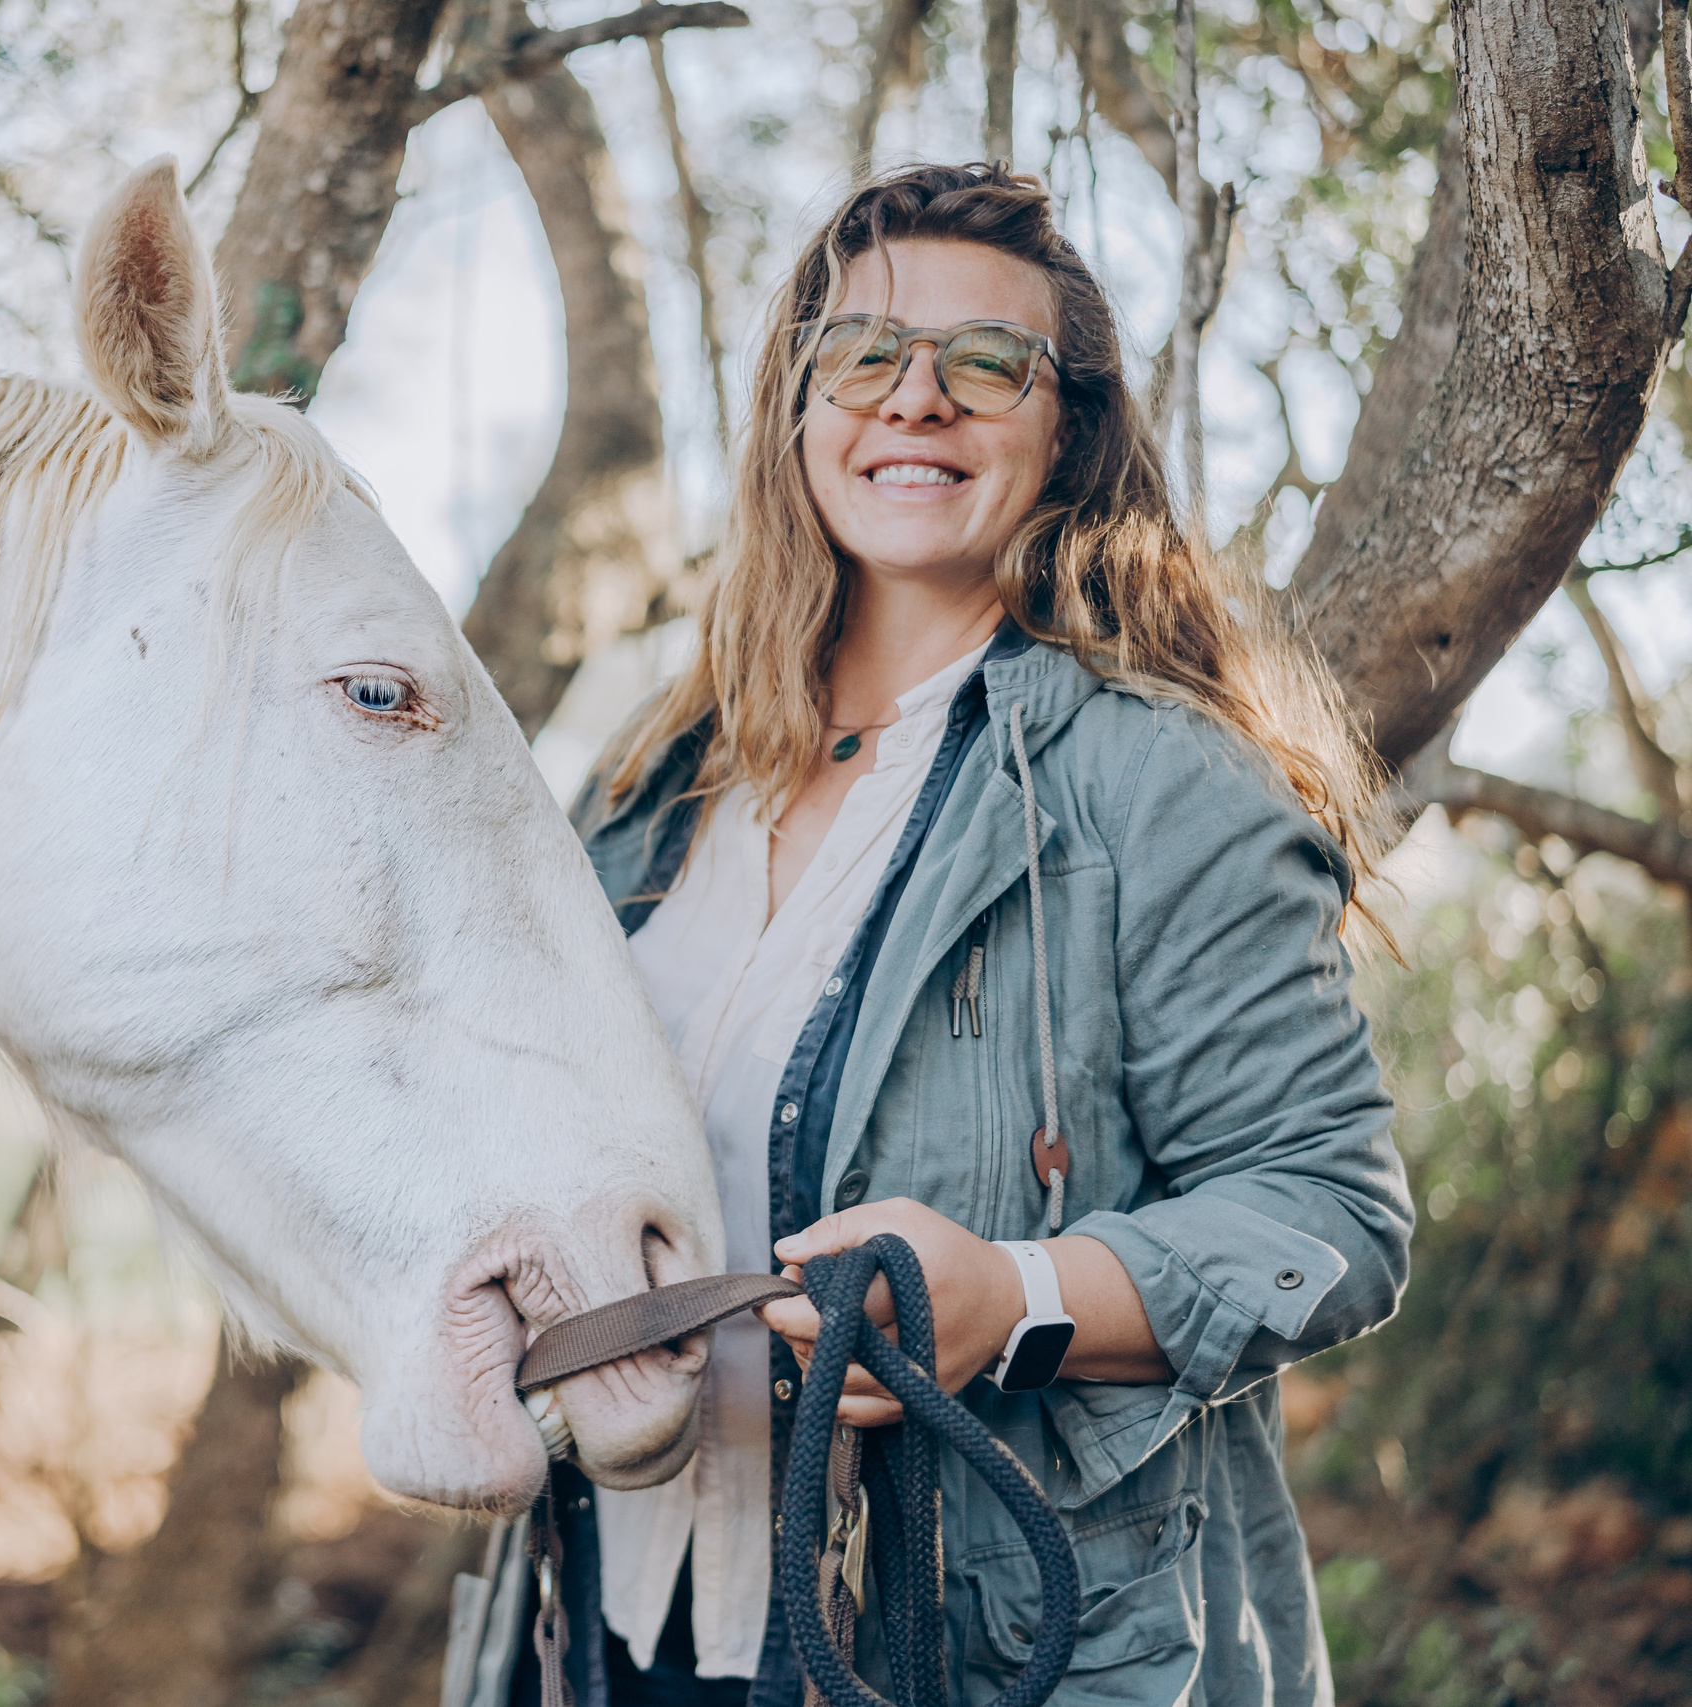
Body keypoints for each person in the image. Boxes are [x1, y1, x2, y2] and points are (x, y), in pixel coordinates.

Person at [463, 161, 1414, 1707]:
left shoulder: (1160, 785)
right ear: (798, 408)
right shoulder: (651, 785)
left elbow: (1331, 1219)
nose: (917, 397)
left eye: (986, 361)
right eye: (864, 353)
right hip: (611, 1614)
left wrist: (1018, 1302)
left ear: (1068, 428)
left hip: (972, 1645)